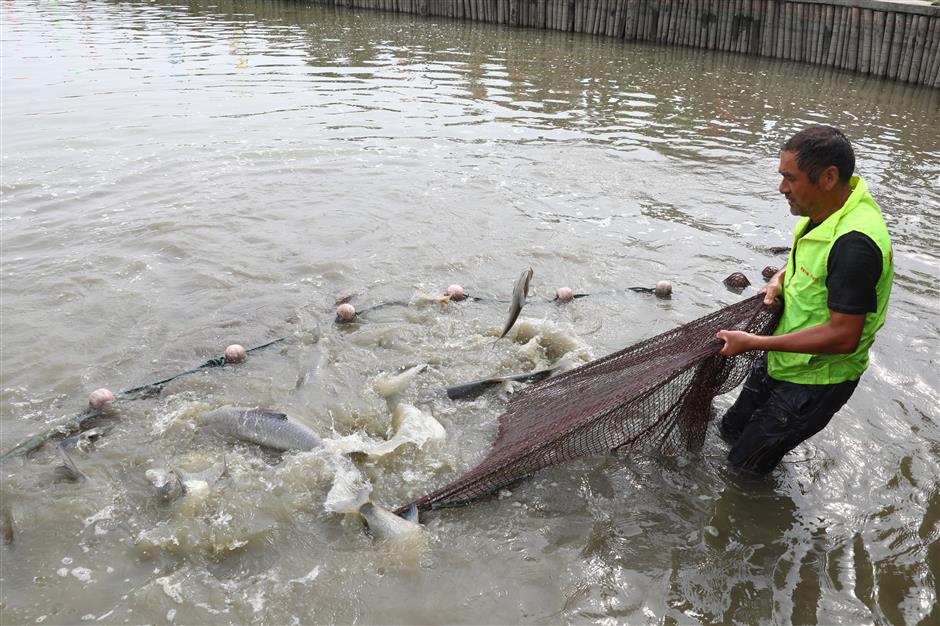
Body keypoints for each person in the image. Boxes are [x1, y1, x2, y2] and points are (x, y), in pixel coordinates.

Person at [715, 126, 894, 475]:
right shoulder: (825, 213)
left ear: (828, 177)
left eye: (790, 178)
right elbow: (810, 260)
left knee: (742, 469)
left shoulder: (855, 243)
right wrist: (780, 279)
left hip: (817, 382)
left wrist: (753, 342)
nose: (782, 188)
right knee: (729, 431)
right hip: (785, 357)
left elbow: (844, 336)